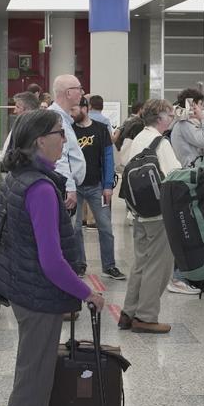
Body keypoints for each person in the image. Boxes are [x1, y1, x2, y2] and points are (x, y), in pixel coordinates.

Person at [0, 109, 103, 406]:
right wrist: (88, 292)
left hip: (23, 287)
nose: (65, 139)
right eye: (59, 132)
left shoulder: (18, 177)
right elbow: (52, 260)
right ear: (41, 140)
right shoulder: (40, 188)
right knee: (32, 384)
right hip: (38, 296)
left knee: (35, 378)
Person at [118, 99, 181, 334]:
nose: (172, 119)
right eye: (170, 115)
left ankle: (129, 312)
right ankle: (146, 316)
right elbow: (175, 174)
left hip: (140, 212)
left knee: (141, 262)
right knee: (159, 264)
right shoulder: (161, 143)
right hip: (159, 213)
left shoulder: (139, 138)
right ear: (160, 118)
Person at [72, 97, 122, 281]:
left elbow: (108, 159)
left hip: (96, 187)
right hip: (74, 187)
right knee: (75, 228)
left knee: (106, 227)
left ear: (85, 108)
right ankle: (79, 264)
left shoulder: (101, 130)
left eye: (75, 109)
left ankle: (109, 266)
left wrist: (108, 185)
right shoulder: (69, 130)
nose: (72, 113)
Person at [47, 74, 87, 221]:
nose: (82, 93)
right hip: (62, 187)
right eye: (79, 89)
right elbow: (59, 156)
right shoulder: (55, 119)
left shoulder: (63, 119)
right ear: (68, 93)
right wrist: (69, 187)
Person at [170, 87, 204, 168]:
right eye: (201, 104)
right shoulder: (184, 125)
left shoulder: (187, 124)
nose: (202, 108)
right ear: (193, 105)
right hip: (193, 176)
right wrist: (203, 118)